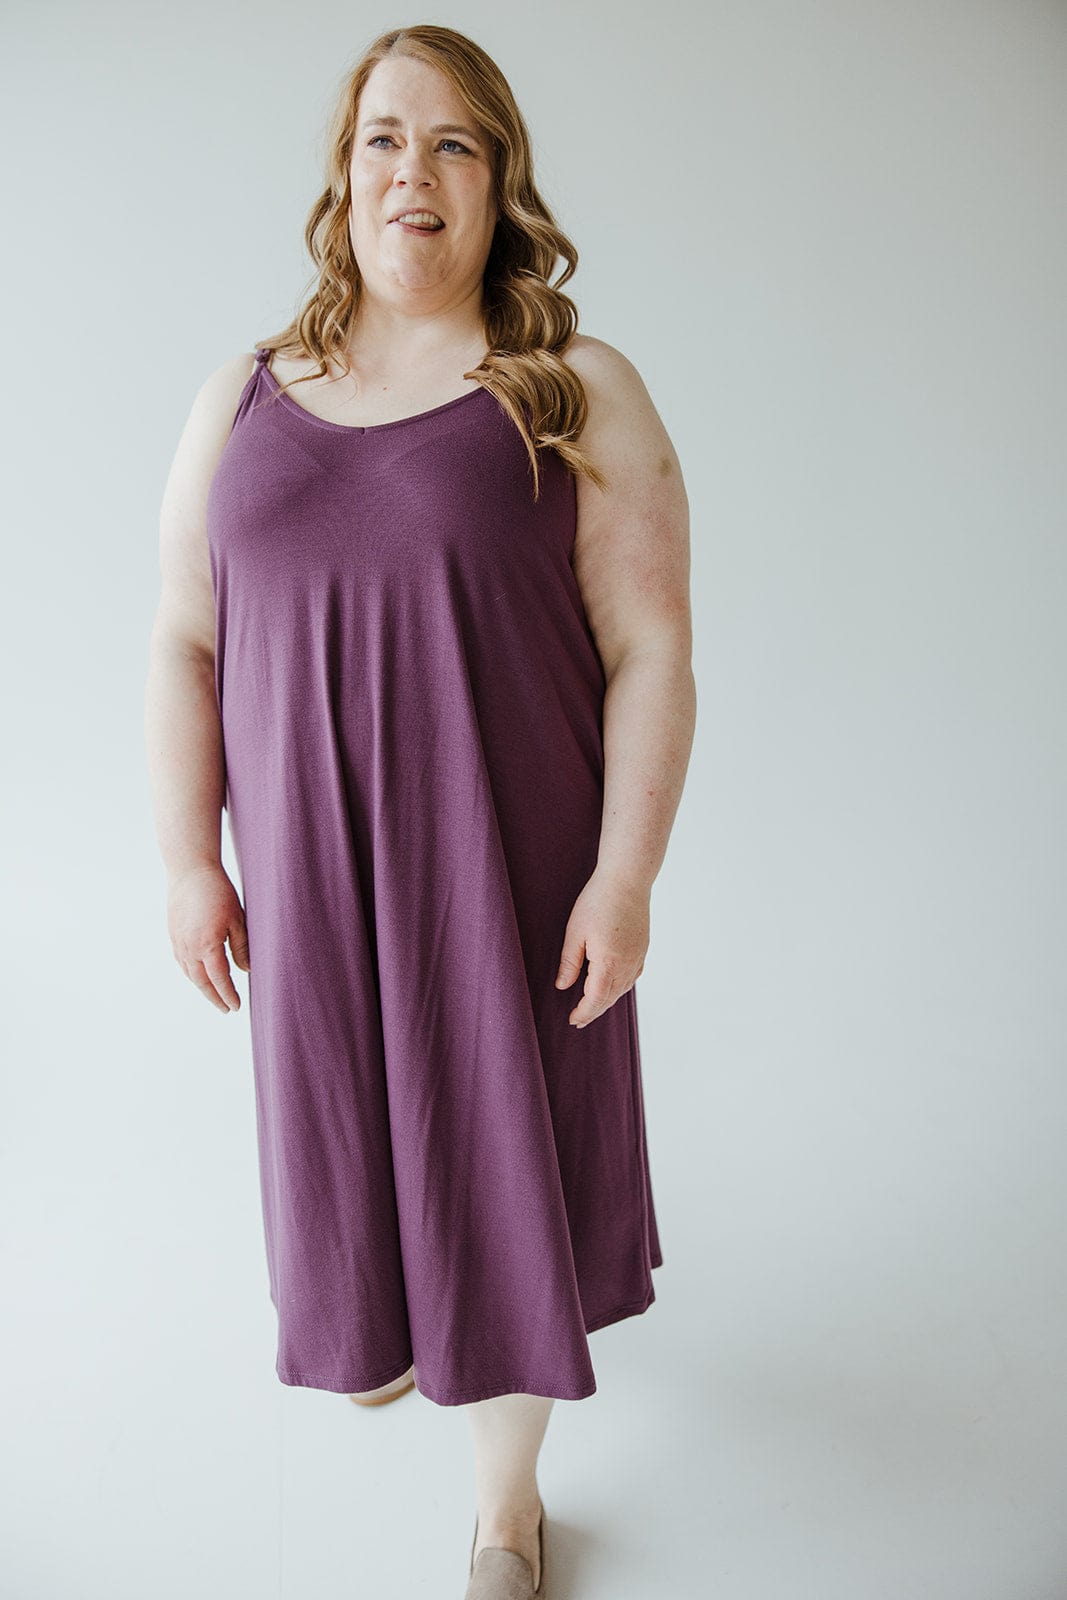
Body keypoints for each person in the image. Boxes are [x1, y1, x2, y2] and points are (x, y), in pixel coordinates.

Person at [144, 22, 695, 1599]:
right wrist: (191, 857)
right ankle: (389, 1340)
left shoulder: (574, 389)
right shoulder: (242, 394)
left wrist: (627, 876)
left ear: (500, 181)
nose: (415, 172)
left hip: (499, 882)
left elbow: (655, 648)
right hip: (311, 891)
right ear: (344, 171)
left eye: (455, 143)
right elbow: (185, 636)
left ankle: (507, 1507)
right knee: (346, 1156)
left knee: (498, 1173)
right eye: (386, 137)